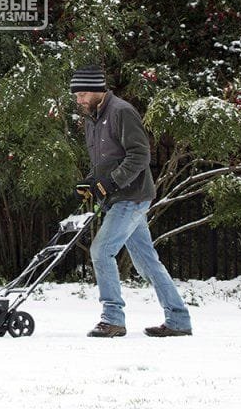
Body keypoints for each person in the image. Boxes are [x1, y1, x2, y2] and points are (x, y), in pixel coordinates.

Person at [70, 64, 193, 338]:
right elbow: (104, 161)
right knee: (147, 262)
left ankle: (113, 318)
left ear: (96, 90)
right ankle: (179, 319)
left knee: (101, 251)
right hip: (117, 197)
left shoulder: (121, 112)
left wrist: (112, 182)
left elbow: (139, 155)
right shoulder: (92, 118)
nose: (78, 100)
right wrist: (91, 182)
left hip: (132, 196)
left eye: (81, 95)